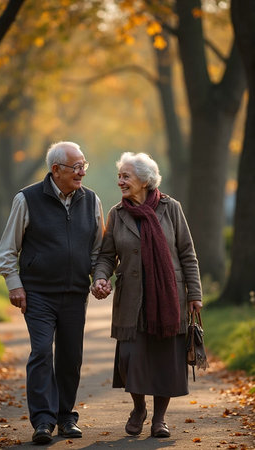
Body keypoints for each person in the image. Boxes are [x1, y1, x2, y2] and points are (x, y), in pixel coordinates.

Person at [0, 141, 105, 444]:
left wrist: (98, 278)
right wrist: (14, 284)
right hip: (38, 293)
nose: (82, 172)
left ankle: (66, 417)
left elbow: (98, 250)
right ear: (56, 170)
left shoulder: (92, 200)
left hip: (74, 293)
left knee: (70, 357)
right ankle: (43, 421)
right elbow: (7, 250)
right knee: (42, 352)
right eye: (76, 167)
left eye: (84, 165)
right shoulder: (27, 199)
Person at [92, 152, 202, 439]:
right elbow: (106, 255)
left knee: (165, 359)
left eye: (125, 176)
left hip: (169, 297)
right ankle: (139, 408)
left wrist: (195, 294)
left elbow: (187, 254)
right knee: (131, 359)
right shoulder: (117, 214)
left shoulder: (171, 208)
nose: (120, 181)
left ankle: (160, 419)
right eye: (119, 176)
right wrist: (101, 277)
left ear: (144, 180)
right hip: (131, 299)